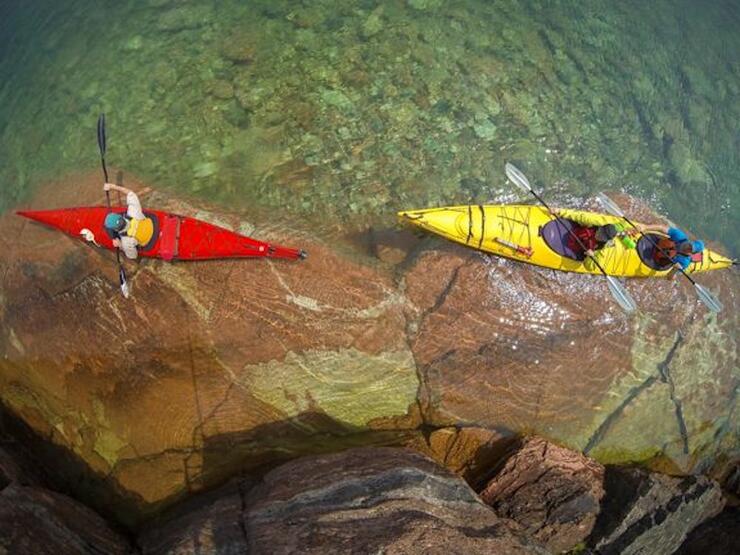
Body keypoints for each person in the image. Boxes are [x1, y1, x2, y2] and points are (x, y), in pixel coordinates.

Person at [556, 209, 635, 272]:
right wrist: (560, 212)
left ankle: (625, 238)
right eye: (600, 233)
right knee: (620, 228)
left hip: (577, 248)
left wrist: (591, 256)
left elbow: (590, 267)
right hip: (574, 234)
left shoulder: (601, 249)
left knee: (629, 242)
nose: (598, 236)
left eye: (602, 237)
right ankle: (624, 234)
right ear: (601, 228)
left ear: (605, 240)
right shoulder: (593, 223)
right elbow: (578, 216)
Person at [102, 183, 154, 259]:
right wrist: (112, 186)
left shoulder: (126, 241)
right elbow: (130, 193)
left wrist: (120, 245)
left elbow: (133, 256)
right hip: (152, 225)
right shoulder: (133, 212)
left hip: (148, 240)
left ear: (116, 229)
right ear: (121, 216)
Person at [636, 223, 704, 277]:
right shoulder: (680, 236)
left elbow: (669, 277)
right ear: (690, 242)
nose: (687, 248)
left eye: (690, 249)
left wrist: (674, 270)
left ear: (692, 253)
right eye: (690, 245)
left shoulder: (684, 262)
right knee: (670, 243)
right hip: (657, 245)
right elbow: (661, 228)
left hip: (657, 260)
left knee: (671, 250)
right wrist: (645, 227)